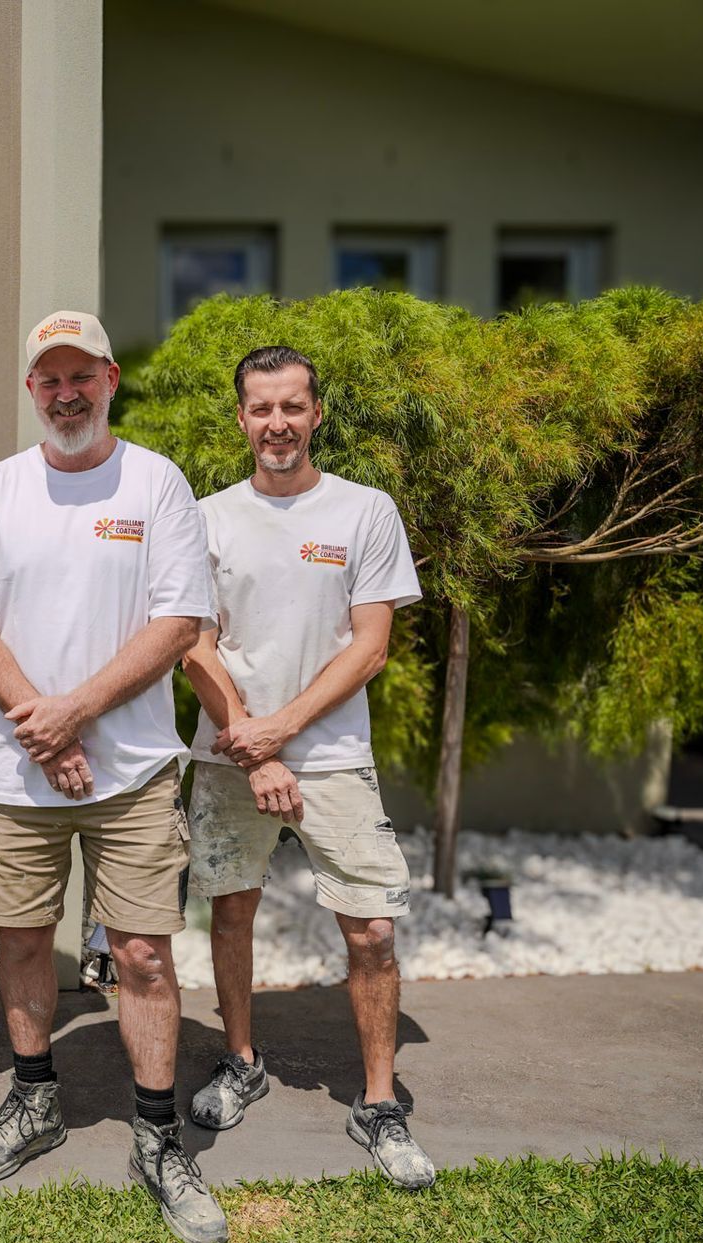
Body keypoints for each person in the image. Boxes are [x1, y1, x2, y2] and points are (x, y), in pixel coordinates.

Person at [0, 310, 227, 1243]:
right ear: (32, 390)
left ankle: (158, 1137)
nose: (65, 394)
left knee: (142, 955)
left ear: (110, 379)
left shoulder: (156, 482)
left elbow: (178, 621)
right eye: (49, 379)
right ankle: (35, 1103)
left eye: (81, 376)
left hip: (133, 773)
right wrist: (45, 726)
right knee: (24, 943)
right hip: (15, 773)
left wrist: (74, 714)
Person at [181, 345, 433, 1189]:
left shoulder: (365, 511)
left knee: (373, 931)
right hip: (230, 755)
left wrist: (279, 733)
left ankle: (378, 1102)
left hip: (330, 756)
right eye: (261, 408)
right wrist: (252, 746)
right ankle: (241, 1059)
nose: (277, 423)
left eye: (292, 407)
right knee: (230, 913)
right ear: (241, 417)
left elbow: (370, 647)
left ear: (317, 413)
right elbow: (194, 646)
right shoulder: (208, 517)